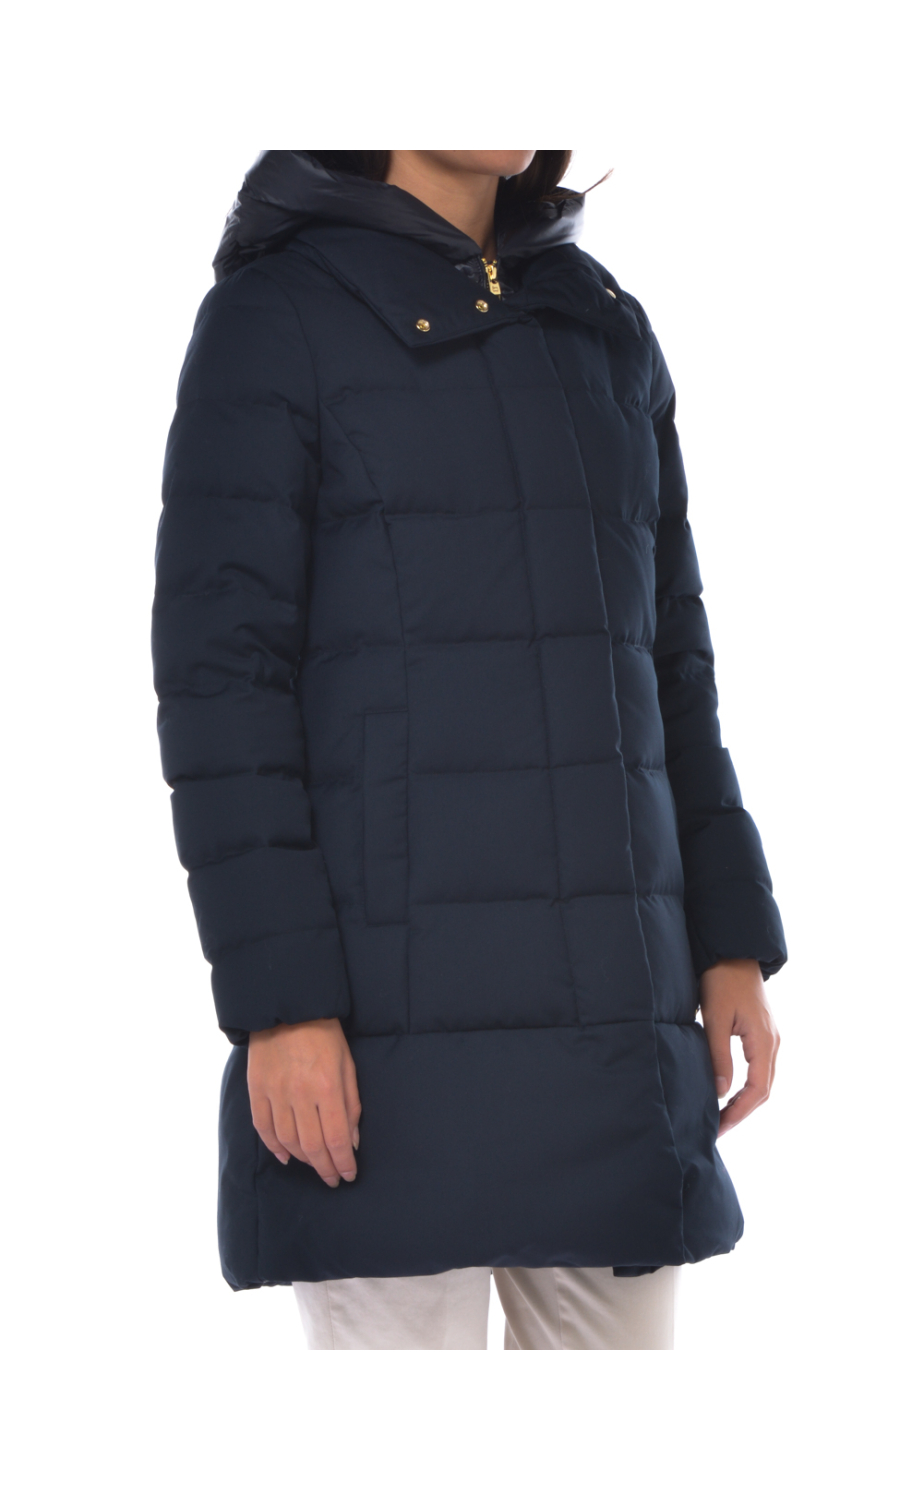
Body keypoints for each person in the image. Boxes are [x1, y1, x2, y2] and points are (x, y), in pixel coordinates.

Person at [152, 149, 786, 1350]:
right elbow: (224, 690)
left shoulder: (603, 329)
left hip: (616, 1034)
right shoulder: (275, 320)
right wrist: (281, 1008)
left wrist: (728, 941)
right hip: (374, 1053)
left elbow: (670, 669)